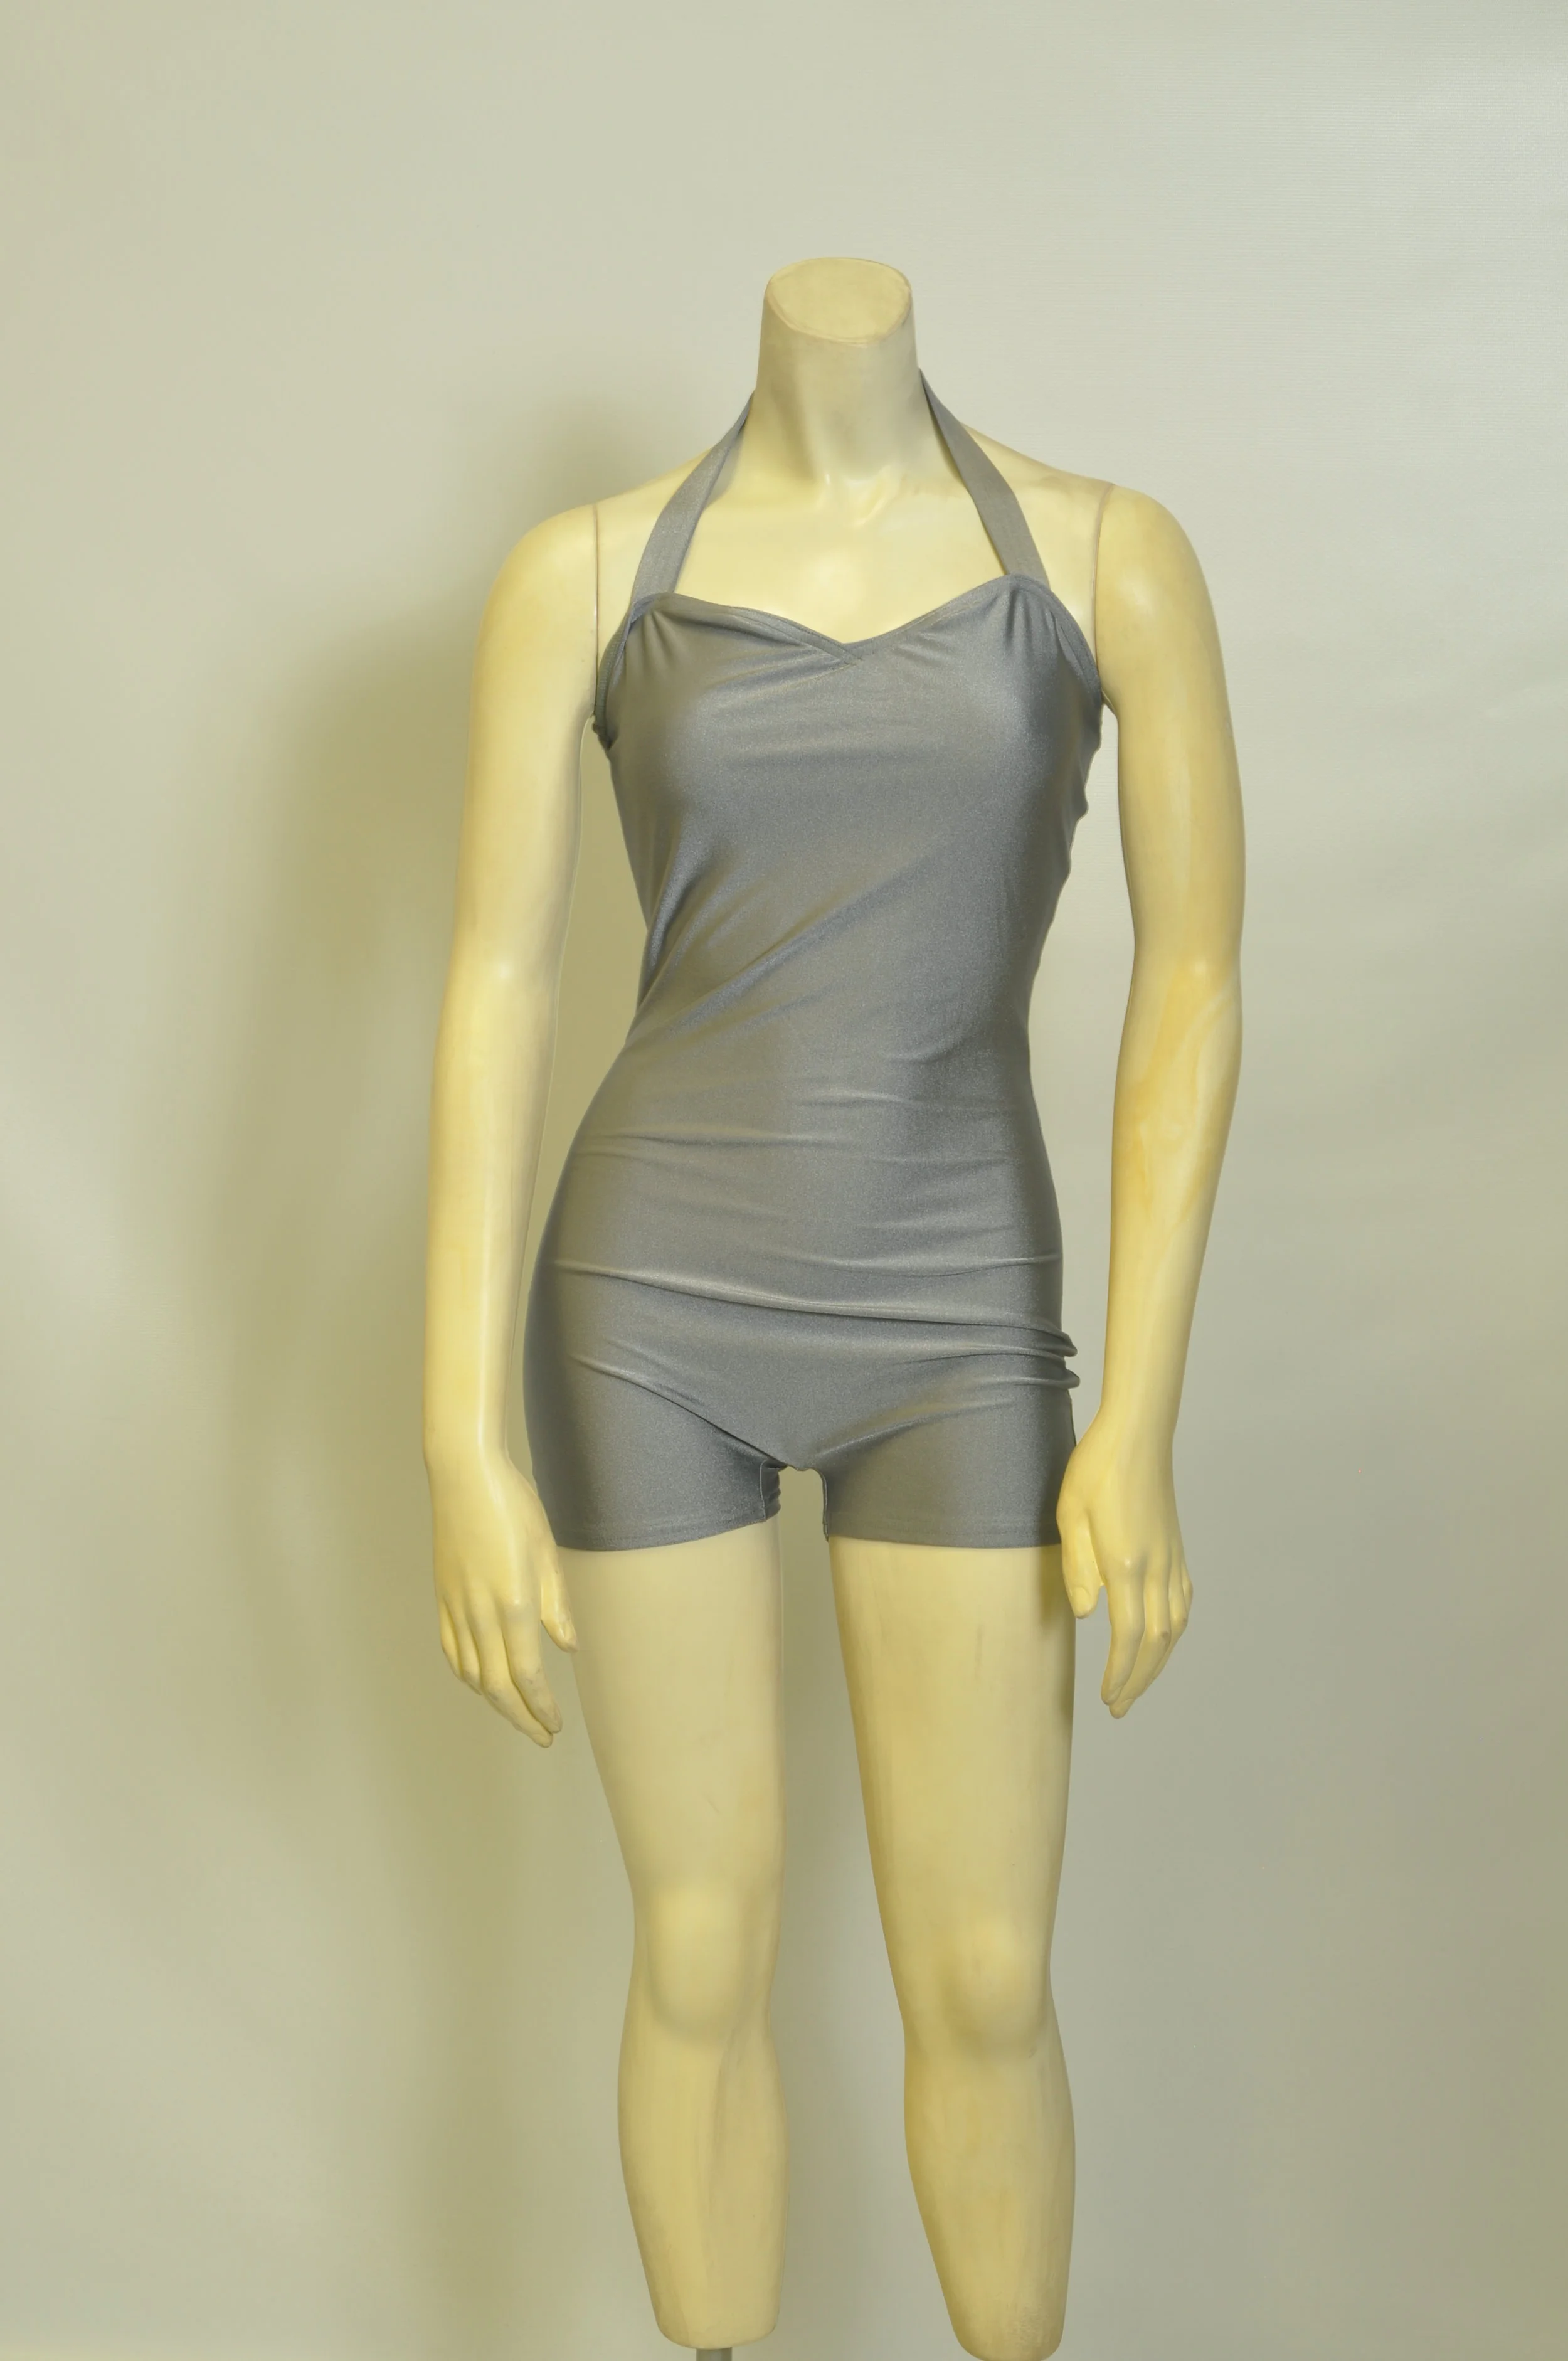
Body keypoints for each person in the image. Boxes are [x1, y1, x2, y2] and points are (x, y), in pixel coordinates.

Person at [423, 255, 1244, 2361]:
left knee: (982, 1971)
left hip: (956, 1295)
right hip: (645, 1301)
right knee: (700, 1944)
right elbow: (497, 984)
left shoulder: (1102, 558)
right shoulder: (586, 573)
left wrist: (1138, 1411)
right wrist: (457, 1436)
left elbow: (1190, 978)